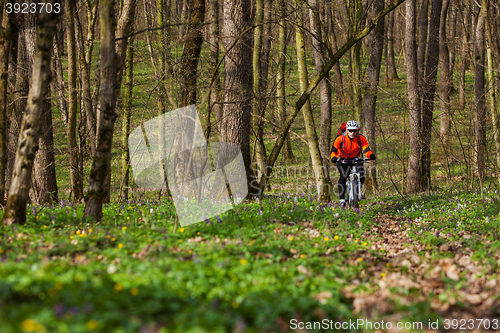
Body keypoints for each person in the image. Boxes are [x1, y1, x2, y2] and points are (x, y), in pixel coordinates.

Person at [330, 120, 376, 206]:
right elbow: (333, 150)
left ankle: (356, 191)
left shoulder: (361, 138)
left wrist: (371, 155)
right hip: (342, 159)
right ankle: (342, 200)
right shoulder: (340, 139)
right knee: (344, 176)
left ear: (357, 130)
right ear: (346, 130)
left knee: (362, 176)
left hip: (355, 159)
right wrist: (334, 157)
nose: (352, 133)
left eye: (354, 130)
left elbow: (366, 149)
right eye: (350, 130)